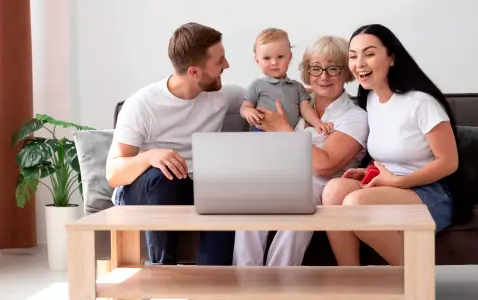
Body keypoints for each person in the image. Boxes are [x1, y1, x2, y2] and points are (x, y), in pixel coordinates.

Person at [320, 24, 467, 266]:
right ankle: (352, 279)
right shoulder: (371, 101)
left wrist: (398, 182)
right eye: (353, 56)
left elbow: (449, 162)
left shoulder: (421, 102)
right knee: (334, 190)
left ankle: (415, 278)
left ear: (391, 58)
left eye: (369, 54)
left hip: (429, 192)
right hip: (390, 186)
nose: (359, 63)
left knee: (356, 203)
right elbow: (392, 157)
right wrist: (371, 173)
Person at [106, 22, 238, 266]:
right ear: (194, 72)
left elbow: (264, 98)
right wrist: (150, 156)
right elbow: (114, 174)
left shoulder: (222, 98)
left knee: (225, 190)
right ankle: (161, 270)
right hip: (149, 188)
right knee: (166, 176)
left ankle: (212, 284)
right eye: (220, 62)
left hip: (197, 186)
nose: (227, 66)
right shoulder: (143, 104)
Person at [233, 36, 369, 266]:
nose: (323, 77)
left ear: (347, 72)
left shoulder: (355, 117)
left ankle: (279, 284)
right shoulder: (295, 99)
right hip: (283, 174)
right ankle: (246, 281)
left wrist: (284, 129)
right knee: (250, 198)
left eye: (333, 69)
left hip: (321, 183)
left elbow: (325, 165)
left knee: (299, 200)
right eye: (315, 68)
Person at [240, 28, 332, 134]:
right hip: (262, 130)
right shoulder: (257, 85)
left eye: (280, 57)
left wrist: (318, 123)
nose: (274, 62)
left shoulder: (297, 87)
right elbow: (245, 106)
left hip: (290, 132)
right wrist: (248, 111)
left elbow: (306, 109)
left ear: (289, 57)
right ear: (257, 60)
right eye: (267, 58)